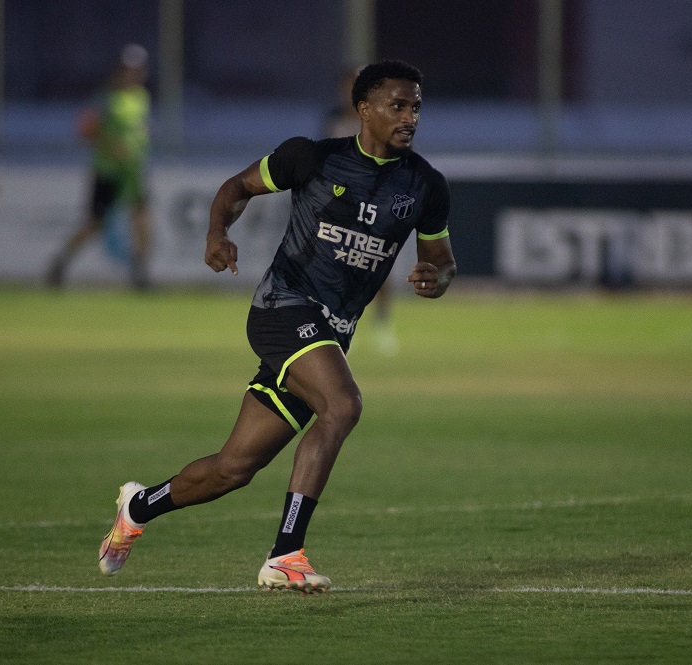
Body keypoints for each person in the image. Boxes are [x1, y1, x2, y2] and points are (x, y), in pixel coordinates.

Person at [97, 60, 457, 593]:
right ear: (363, 109)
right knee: (344, 405)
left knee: (232, 469)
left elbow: (442, 258)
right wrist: (217, 233)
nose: (410, 117)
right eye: (397, 106)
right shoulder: (311, 158)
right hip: (282, 306)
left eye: (416, 107)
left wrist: (438, 276)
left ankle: (139, 506)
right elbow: (235, 187)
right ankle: (286, 554)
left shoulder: (425, 185)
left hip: (331, 333)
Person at [47, 44, 154, 290]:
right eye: (129, 70)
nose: (134, 75)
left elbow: (139, 128)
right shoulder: (107, 97)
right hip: (109, 171)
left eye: (138, 70)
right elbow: (86, 130)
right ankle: (60, 262)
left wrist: (143, 135)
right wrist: (110, 145)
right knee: (94, 223)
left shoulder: (141, 97)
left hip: (133, 171)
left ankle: (140, 273)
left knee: (142, 218)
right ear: (120, 70)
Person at [323, 65, 399, 355]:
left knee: (379, 266)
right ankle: (338, 328)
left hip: (377, 202)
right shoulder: (334, 120)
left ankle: (382, 326)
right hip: (342, 204)